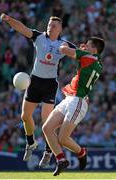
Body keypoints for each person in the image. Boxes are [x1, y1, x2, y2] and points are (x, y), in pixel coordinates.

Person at [0, 13, 76, 167]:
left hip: (49, 85)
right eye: (49, 24)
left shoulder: (64, 45)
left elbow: (79, 54)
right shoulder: (39, 37)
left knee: (47, 122)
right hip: (34, 81)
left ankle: (48, 151)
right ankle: (31, 143)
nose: (50, 27)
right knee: (25, 116)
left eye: (54, 25)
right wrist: (9, 20)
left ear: (60, 29)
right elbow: (22, 28)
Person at [42, 37, 105, 176]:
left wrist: (62, 41)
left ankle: (82, 152)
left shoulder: (89, 56)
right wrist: (79, 52)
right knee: (47, 128)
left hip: (78, 101)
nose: (85, 46)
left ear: (94, 49)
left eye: (88, 45)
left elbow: (62, 49)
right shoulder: (96, 61)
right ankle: (61, 160)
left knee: (63, 139)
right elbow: (82, 67)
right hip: (70, 99)